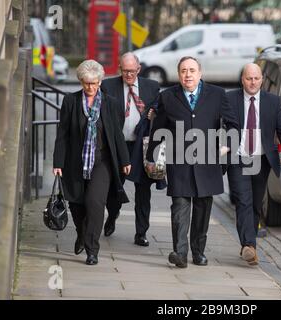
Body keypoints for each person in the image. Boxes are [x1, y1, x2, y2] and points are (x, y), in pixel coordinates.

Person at [146, 56, 239, 268]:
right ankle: (180, 253)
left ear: (200, 73)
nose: (188, 74)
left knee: (202, 208)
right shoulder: (167, 97)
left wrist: (226, 146)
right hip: (178, 161)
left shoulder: (217, 94)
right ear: (179, 74)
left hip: (208, 162)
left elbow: (233, 125)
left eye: (192, 70)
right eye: (183, 71)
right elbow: (158, 131)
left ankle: (198, 252)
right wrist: (151, 157)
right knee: (179, 206)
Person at [53, 60, 131, 265]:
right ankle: (81, 233)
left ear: (100, 82)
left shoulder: (110, 102)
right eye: (87, 83)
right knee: (77, 205)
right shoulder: (70, 101)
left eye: (94, 83)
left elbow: (116, 134)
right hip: (74, 162)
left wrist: (124, 159)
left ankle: (92, 250)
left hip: (101, 162)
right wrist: (57, 162)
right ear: (80, 81)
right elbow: (62, 134)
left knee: (95, 203)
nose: (90, 87)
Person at [226, 63, 281, 265]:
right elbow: (219, 124)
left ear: (262, 79)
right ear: (242, 80)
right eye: (249, 78)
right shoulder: (230, 99)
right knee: (243, 201)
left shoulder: (272, 102)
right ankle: (249, 246)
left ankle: (248, 243)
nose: (253, 82)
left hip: (261, 160)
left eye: (256, 78)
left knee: (256, 203)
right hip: (238, 158)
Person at [101, 52, 166, 246]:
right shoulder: (108, 86)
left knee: (143, 191)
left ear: (138, 69)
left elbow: (159, 114)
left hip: (141, 147)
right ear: (120, 69)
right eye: (124, 70)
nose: (128, 75)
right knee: (114, 189)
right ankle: (113, 214)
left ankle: (141, 233)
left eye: (132, 71)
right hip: (118, 146)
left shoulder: (152, 87)